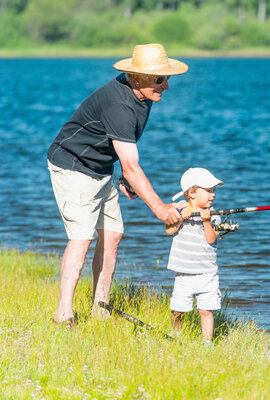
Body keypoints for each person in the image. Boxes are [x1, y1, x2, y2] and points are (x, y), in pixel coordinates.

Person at [47, 43, 188, 327]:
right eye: (159, 79)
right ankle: (63, 314)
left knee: (112, 235)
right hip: (73, 167)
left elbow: (123, 151)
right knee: (81, 238)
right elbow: (132, 166)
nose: (166, 85)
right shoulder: (120, 103)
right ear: (136, 76)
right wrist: (161, 210)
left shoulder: (144, 95)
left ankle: (100, 307)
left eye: (167, 77)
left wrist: (124, 177)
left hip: (101, 169)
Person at [166, 168, 224, 344]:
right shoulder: (180, 209)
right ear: (192, 193)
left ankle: (207, 343)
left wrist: (206, 221)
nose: (212, 195)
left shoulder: (213, 215)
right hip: (184, 272)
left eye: (213, 191)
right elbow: (169, 230)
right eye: (208, 191)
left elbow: (211, 239)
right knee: (178, 309)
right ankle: (175, 336)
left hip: (207, 273)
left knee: (206, 310)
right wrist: (180, 219)